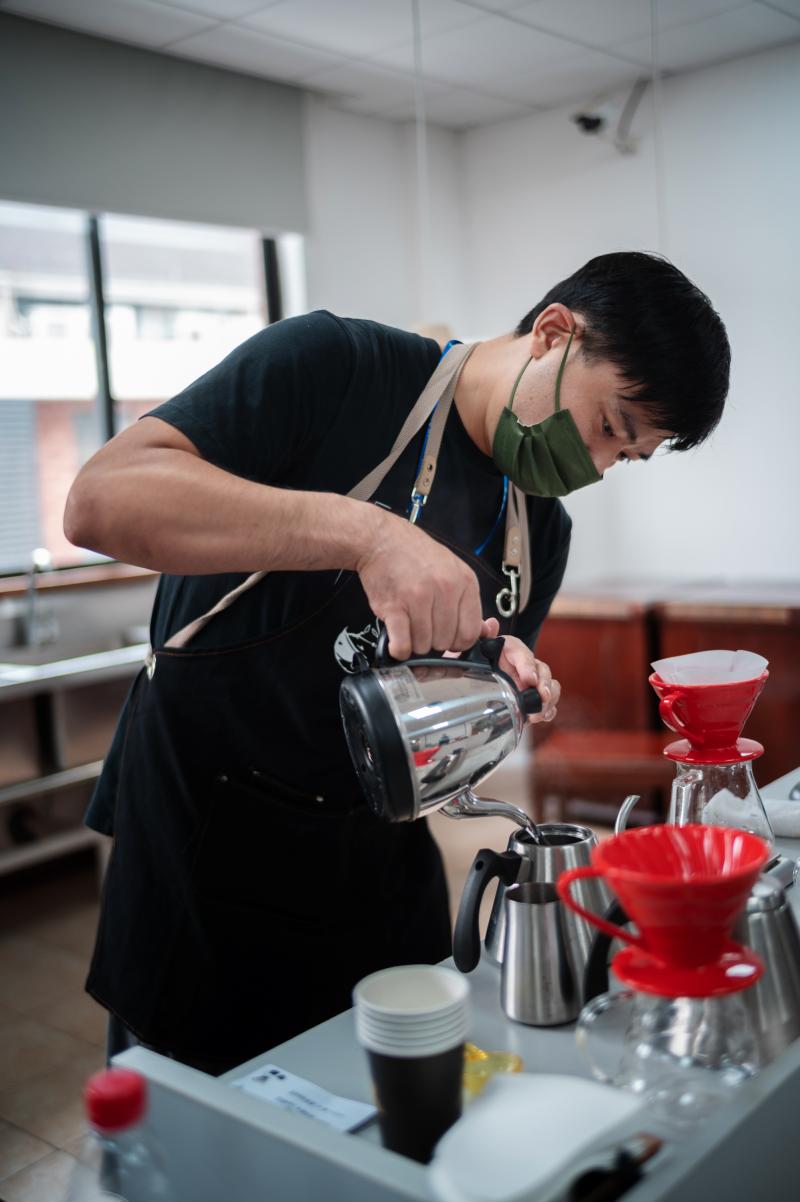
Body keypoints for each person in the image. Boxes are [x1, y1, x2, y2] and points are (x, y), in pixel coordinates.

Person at [64, 251, 730, 1074]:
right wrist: (369, 534)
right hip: (211, 840)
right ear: (553, 332)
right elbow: (101, 501)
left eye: (624, 459)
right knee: (199, 1116)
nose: (594, 467)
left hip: (373, 860)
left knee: (380, 1102)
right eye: (607, 428)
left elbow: (429, 703)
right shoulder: (336, 368)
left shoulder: (539, 533)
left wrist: (497, 683)